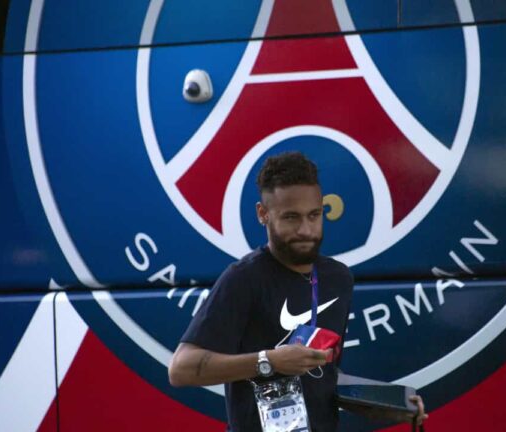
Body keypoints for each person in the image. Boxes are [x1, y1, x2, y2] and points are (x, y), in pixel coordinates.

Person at [168, 152, 426, 431]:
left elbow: (325, 377)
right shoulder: (243, 278)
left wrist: (385, 405)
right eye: (291, 217)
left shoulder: (338, 278)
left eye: (314, 215)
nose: (306, 229)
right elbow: (181, 369)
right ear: (263, 214)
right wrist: (268, 361)